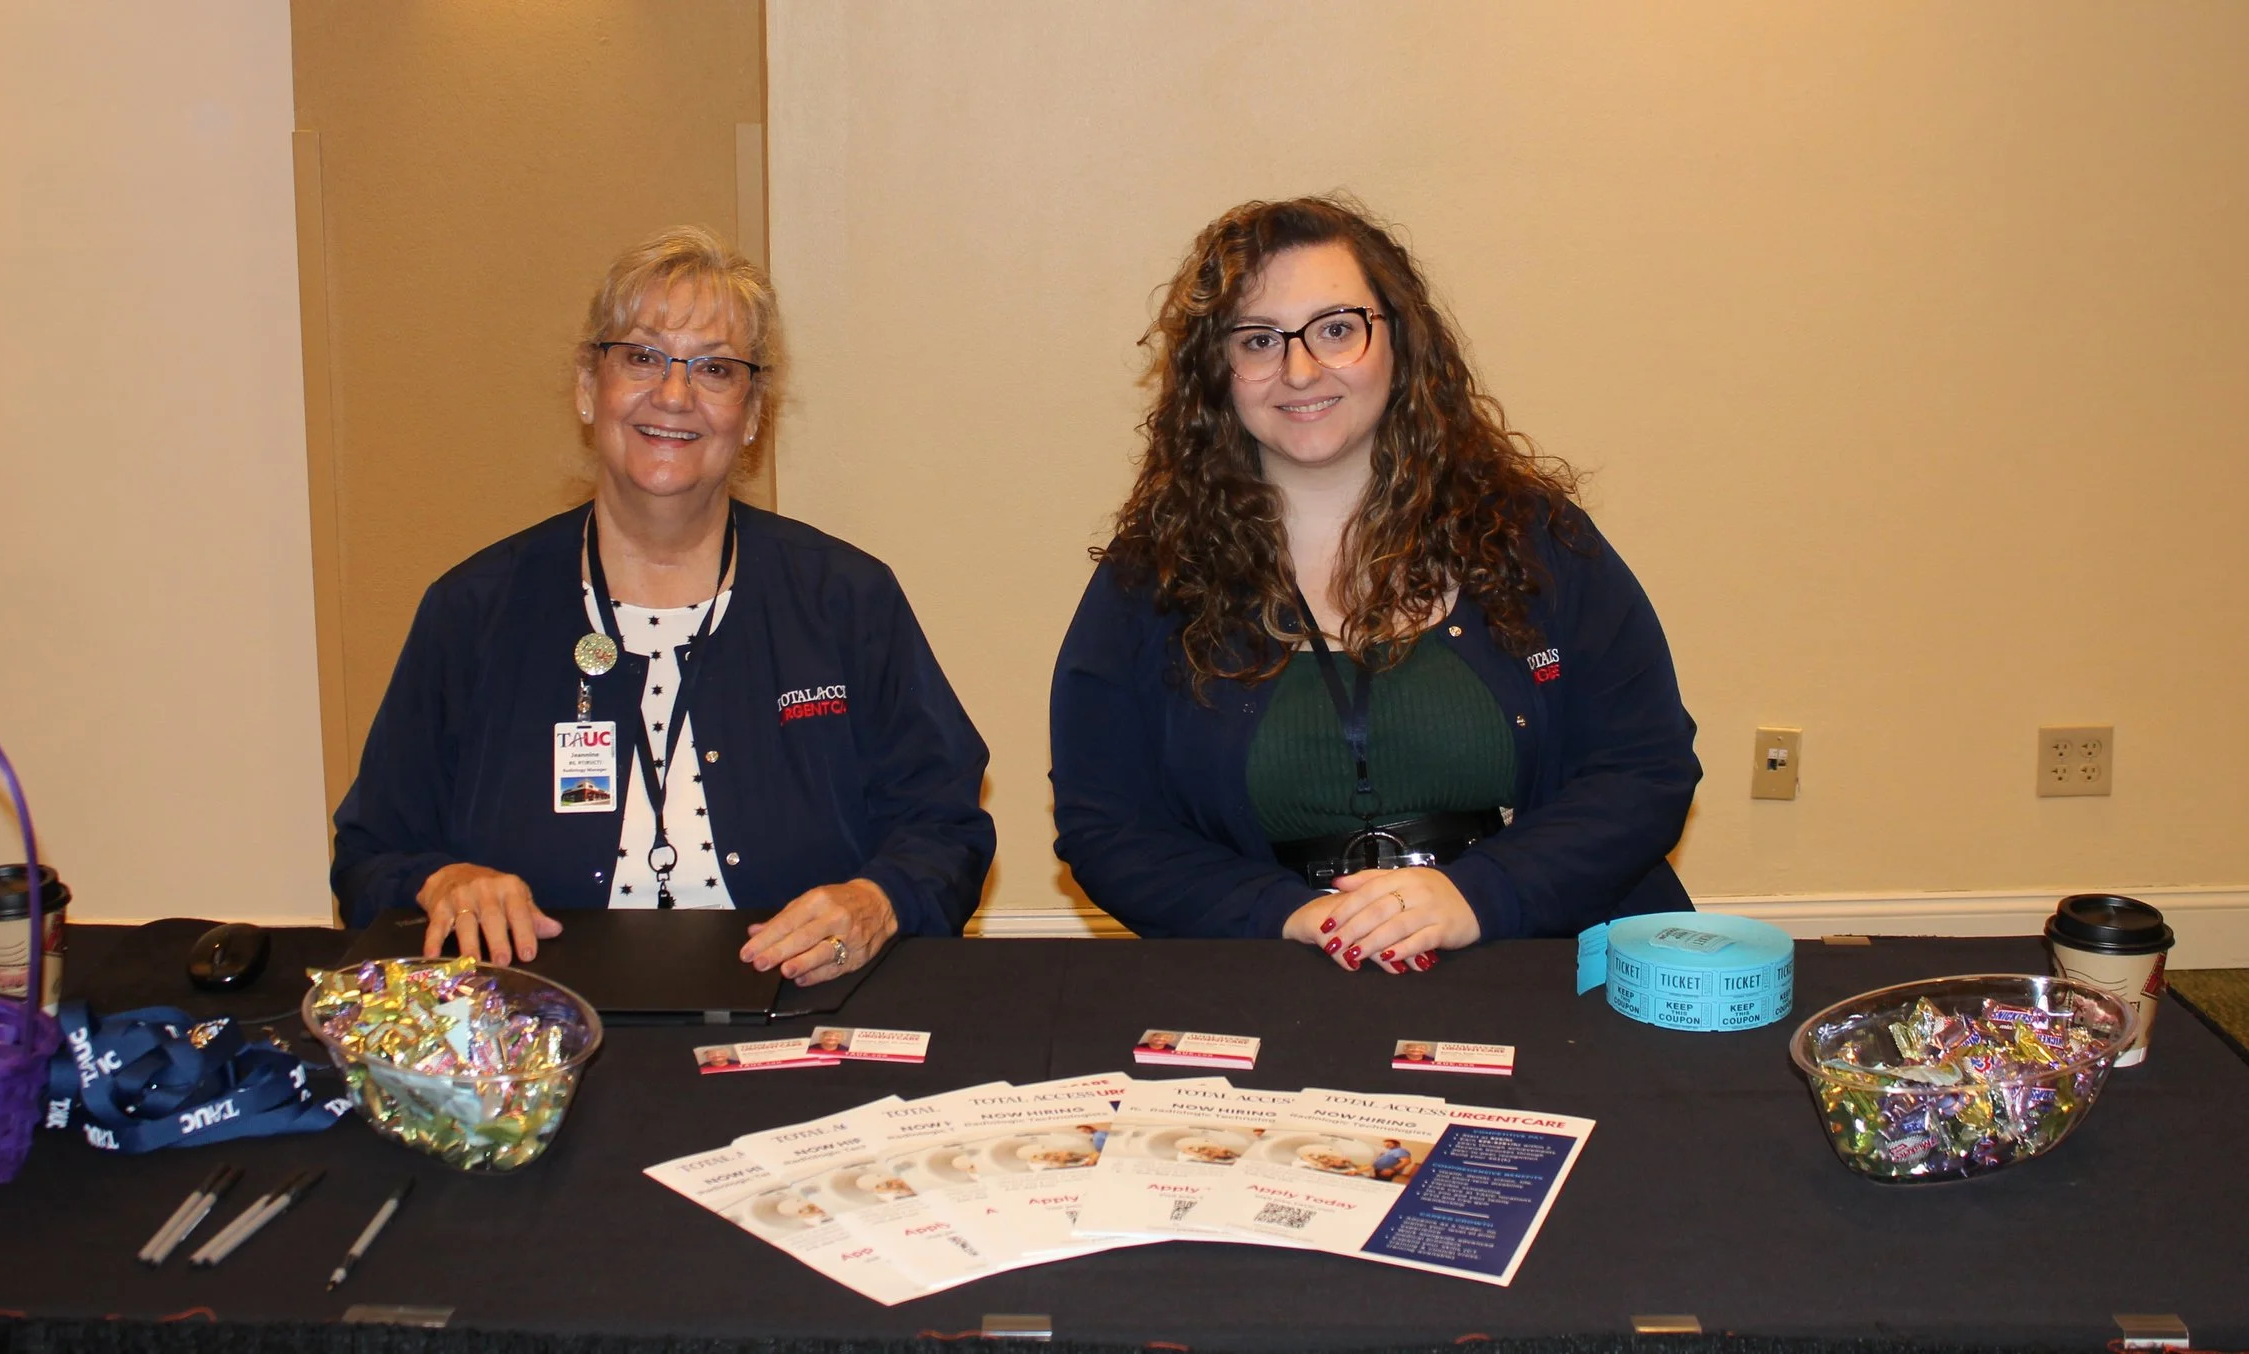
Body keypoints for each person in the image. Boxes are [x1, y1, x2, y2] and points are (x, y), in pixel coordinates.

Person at [1051, 196, 1699, 971]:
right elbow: (1108, 826)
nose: (1299, 371)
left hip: (1534, 963)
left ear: (1399, 338)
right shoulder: (1150, 578)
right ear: (1215, 373)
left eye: (1335, 329)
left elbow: (1644, 770)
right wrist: (1289, 915)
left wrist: (1480, 895)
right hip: (1278, 974)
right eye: (1258, 340)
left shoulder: (1536, 541)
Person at [333, 226, 994, 985]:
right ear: (589, 388)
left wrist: (879, 900)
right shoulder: (473, 612)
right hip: (537, 1020)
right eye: (643, 357)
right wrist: (441, 881)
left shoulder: (846, 599)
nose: (674, 396)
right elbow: (370, 853)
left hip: (803, 1011)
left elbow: (946, 826)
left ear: (753, 413)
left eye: (715, 368)